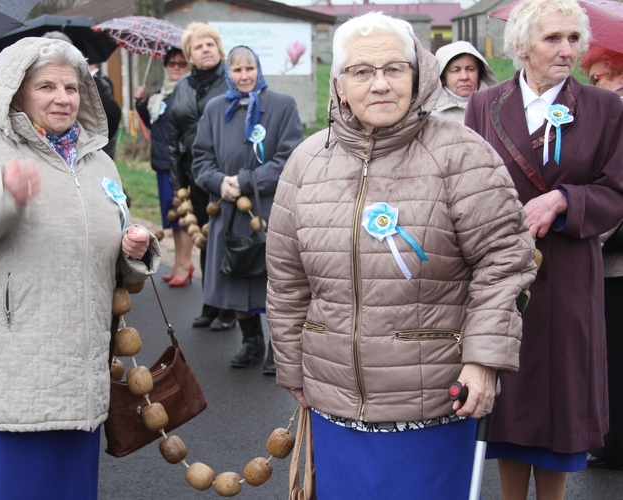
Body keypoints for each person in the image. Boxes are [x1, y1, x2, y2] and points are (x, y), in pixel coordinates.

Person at [266, 11, 537, 498]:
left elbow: (505, 261)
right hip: (335, 403)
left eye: (395, 68)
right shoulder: (307, 160)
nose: (380, 84)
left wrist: (482, 361)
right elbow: (287, 280)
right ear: (339, 83)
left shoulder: (460, 153)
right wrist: (292, 368)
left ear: (419, 76)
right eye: (362, 72)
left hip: (433, 400)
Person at [0, 37, 160, 499]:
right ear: (16, 91)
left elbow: (114, 250)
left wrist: (135, 248)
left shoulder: (97, 160)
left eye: (71, 87)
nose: (63, 98)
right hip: (15, 368)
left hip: (81, 370)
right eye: (46, 86)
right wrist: (0, 195)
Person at [465, 0, 623, 497]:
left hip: (572, 275)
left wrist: (565, 199)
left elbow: (616, 191)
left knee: (561, 405)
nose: (567, 50)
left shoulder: (604, 108)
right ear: (521, 46)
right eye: (553, 38)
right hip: (503, 273)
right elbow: (465, 185)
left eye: (573, 39)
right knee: (511, 401)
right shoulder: (483, 104)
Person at [192, 46, 303, 374]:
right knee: (236, 278)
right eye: (237, 70)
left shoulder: (282, 106)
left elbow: (290, 157)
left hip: (270, 208)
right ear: (229, 73)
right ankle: (250, 340)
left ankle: (276, 345)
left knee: (274, 280)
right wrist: (217, 182)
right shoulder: (215, 109)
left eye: (249, 69)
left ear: (259, 69)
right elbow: (200, 158)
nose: (244, 76)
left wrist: (245, 180)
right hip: (229, 212)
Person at [168, 22, 236, 329]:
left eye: (211, 44)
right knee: (205, 240)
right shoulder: (182, 86)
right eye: (198, 46)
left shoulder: (232, 80)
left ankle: (230, 308)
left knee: (227, 240)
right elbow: (174, 133)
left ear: (220, 50)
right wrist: (176, 178)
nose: (205, 49)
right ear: (190, 56)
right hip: (192, 173)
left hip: (225, 174)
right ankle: (210, 303)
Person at [579, 45, 623, 471]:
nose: (594, 85)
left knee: (612, 352)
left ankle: (613, 443)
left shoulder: (615, 111)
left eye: (598, 76)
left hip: (613, 259)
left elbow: (611, 188)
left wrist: (590, 233)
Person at [134, 48, 194, 287]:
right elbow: (155, 125)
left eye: (181, 63)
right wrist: (141, 103)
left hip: (179, 166)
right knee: (172, 218)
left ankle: (185, 264)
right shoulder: (161, 95)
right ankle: (181, 263)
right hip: (161, 164)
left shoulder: (186, 93)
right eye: (172, 63)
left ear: (188, 67)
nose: (176, 67)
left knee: (183, 217)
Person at [431, 40, 497, 123]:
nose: (464, 77)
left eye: (470, 69)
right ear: (443, 77)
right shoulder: (430, 114)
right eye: (456, 70)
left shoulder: (496, 106)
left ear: (479, 73)